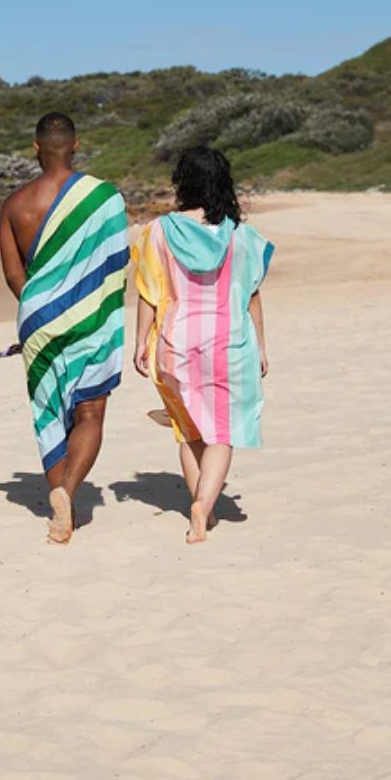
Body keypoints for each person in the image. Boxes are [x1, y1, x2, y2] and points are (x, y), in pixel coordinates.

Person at [0, 113, 130, 544]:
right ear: (76, 145)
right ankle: (67, 493)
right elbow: (117, 262)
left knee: (49, 413)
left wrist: (44, 307)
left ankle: (63, 509)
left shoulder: (15, 205)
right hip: (92, 315)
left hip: (39, 318)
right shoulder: (105, 198)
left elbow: (14, 276)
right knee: (90, 411)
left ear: (35, 148)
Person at [132, 146, 273, 544]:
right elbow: (251, 295)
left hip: (175, 341)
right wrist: (262, 346)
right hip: (229, 343)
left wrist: (140, 341)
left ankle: (202, 508)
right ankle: (202, 506)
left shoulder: (159, 232)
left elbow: (149, 292)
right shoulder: (241, 237)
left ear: (183, 183)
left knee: (189, 430)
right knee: (222, 432)